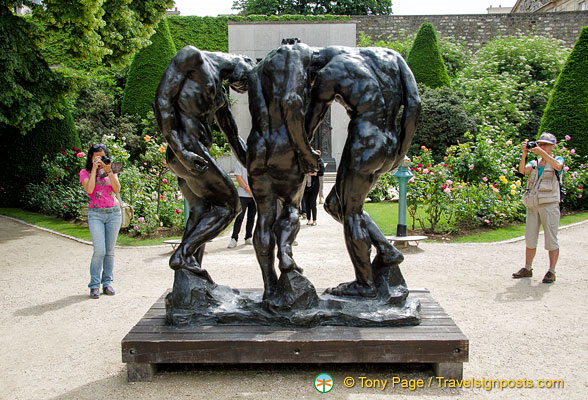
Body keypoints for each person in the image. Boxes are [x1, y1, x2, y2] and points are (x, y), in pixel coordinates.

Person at [306, 46, 421, 297]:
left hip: (365, 143)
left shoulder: (329, 73)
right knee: (335, 204)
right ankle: (386, 249)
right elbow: (414, 104)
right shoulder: (391, 57)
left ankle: (365, 284)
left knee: (351, 212)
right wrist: (401, 151)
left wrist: (300, 154)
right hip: (391, 143)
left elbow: (310, 124)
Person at [153, 46, 253, 282]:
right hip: (187, 151)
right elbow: (162, 101)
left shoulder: (219, 91)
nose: (243, 87)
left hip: (192, 155)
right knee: (230, 206)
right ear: (245, 61)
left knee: (200, 213)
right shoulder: (192, 57)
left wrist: (260, 166)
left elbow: (233, 137)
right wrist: (182, 151)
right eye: (247, 79)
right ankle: (183, 254)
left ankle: (190, 275)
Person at [247, 42, 320, 299]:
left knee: (263, 217)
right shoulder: (297, 55)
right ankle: (286, 251)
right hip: (285, 146)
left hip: (258, 145)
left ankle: (269, 285)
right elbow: (291, 101)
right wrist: (306, 151)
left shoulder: (256, 71)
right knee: (291, 206)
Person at [512, 132, 564, 283]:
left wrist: (542, 153)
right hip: (533, 203)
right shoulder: (534, 163)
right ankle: (528, 268)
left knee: (551, 238)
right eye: (540, 144)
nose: (542, 146)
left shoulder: (557, 160)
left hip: (549, 203)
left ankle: (552, 271)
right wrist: (524, 154)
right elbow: (523, 171)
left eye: (545, 144)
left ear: (552, 146)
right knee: (530, 238)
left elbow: (558, 166)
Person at [79, 143, 122, 299]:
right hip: (96, 214)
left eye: (102, 156)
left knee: (110, 252)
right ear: (91, 157)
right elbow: (89, 190)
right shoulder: (85, 172)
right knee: (99, 251)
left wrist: (109, 170)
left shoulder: (111, 169)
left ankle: (107, 283)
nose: (99, 159)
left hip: (113, 213)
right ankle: (94, 285)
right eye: (96, 156)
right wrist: (95, 169)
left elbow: (117, 189)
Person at [228, 160, 257, 248]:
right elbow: (238, 176)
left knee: (251, 217)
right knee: (240, 216)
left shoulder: (256, 160)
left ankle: (248, 236)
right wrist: (247, 188)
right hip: (242, 194)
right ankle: (234, 238)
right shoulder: (239, 161)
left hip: (255, 195)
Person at [303, 149, 325, 226]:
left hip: (314, 185)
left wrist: (314, 174)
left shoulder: (317, 162)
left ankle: (314, 220)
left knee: (312, 203)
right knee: (307, 203)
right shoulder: (305, 163)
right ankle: (308, 219)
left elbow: (321, 172)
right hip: (306, 186)